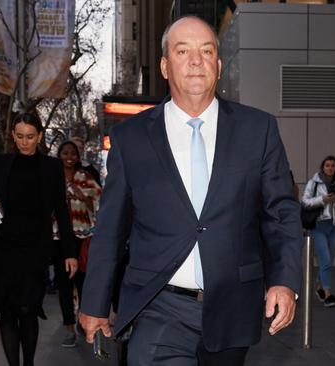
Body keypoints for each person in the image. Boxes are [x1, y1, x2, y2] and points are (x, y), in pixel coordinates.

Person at [79, 16, 303, 366]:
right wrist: (94, 302)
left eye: (206, 50)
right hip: (158, 307)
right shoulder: (132, 139)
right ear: (166, 67)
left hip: (233, 306)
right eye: (183, 51)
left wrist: (284, 280)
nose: (196, 60)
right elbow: (110, 229)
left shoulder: (257, 130)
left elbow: (280, 214)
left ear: (218, 64)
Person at [0, 112, 78, 366]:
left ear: (39, 137)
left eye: (30, 137)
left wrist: (70, 252)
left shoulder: (51, 167)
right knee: (8, 310)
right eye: (20, 136)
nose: (25, 142)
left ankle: (29, 364)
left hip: (36, 249)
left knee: (28, 309)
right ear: (13, 136)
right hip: (5, 248)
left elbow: (61, 211)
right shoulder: (0, 163)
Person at [53, 141, 102, 348]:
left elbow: (101, 201)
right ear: (59, 155)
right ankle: (69, 329)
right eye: (65, 153)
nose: (69, 156)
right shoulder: (52, 178)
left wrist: (82, 197)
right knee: (64, 286)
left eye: (73, 153)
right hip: (59, 239)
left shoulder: (86, 177)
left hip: (82, 238)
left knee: (83, 284)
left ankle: (83, 322)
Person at [301, 155, 335, 308]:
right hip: (318, 226)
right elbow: (305, 201)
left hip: (334, 226)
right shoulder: (314, 182)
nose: (330, 168)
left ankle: (318, 286)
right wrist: (323, 200)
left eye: (333, 165)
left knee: (328, 261)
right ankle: (328, 293)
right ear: (323, 167)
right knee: (326, 260)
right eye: (327, 165)